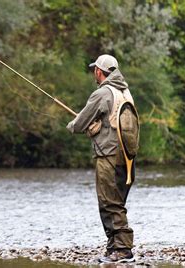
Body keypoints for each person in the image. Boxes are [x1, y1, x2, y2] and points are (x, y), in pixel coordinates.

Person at [66, 54, 137, 263]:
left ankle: (123, 249)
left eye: (94, 70)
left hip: (108, 155)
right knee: (117, 200)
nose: (93, 74)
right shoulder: (125, 92)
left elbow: (79, 124)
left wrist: (72, 125)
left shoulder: (103, 93)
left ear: (99, 71)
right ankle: (114, 247)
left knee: (109, 201)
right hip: (128, 157)